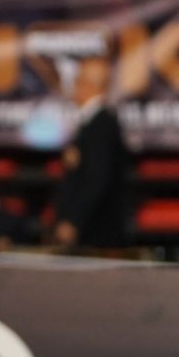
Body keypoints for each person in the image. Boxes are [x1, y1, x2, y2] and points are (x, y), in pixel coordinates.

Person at [52, 57, 130, 252]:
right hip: (91, 231)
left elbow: (97, 179)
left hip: (95, 234)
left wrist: (74, 221)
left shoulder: (101, 125)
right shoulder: (91, 123)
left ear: (89, 85)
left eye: (78, 80)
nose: (75, 86)